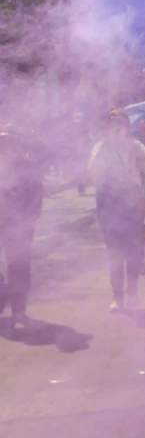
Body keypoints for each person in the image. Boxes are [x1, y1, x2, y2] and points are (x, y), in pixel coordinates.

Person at [87, 110, 145, 312]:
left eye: (121, 123)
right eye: (112, 124)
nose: (117, 128)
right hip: (109, 202)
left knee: (133, 250)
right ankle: (117, 297)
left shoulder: (136, 146)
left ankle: (133, 292)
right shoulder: (101, 147)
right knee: (114, 252)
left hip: (133, 201)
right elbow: (93, 175)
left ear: (127, 126)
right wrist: (105, 146)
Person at [0, 124, 45, 328]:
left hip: (19, 226)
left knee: (18, 267)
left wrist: (27, 219)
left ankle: (19, 311)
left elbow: (36, 196)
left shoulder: (28, 167)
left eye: (9, 141)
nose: (5, 146)